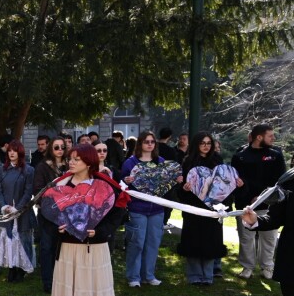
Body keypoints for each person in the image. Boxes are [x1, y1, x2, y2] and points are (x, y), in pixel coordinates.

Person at [49, 144, 127, 296]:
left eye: (77, 159)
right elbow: (48, 212)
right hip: (69, 248)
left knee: (90, 293)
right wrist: (58, 227)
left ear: (89, 162)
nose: (71, 162)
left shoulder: (104, 184)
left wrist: (100, 231)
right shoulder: (61, 183)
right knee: (72, 292)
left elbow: (118, 211)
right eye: (70, 158)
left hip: (94, 250)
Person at [176, 132, 239, 285]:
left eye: (208, 143)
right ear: (196, 144)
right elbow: (181, 188)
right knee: (193, 241)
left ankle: (208, 276)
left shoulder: (217, 160)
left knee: (211, 242)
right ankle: (195, 276)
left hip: (214, 209)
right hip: (194, 209)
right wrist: (184, 187)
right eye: (202, 143)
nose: (206, 146)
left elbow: (224, 183)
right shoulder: (188, 162)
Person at [232, 123, 286, 279]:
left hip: (268, 204)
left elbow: (279, 182)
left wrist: (263, 196)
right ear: (259, 137)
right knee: (246, 237)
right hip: (245, 204)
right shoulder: (240, 156)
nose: (273, 138)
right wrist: (246, 192)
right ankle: (247, 267)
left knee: (268, 237)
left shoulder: (275, 155)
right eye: (270, 135)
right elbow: (235, 181)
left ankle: (267, 267)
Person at [122, 130, 172, 287]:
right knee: (136, 242)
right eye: (146, 141)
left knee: (153, 242)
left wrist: (174, 178)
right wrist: (126, 180)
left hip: (157, 209)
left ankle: (148, 275)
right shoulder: (130, 163)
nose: (149, 144)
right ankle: (133, 277)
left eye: (152, 142)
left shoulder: (161, 161)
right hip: (137, 208)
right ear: (140, 144)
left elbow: (166, 185)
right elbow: (122, 186)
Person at [0, 140, 36, 283]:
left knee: (23, 240)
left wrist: (16, 209)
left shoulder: (29, 170)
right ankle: (11, 268)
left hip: (22, 212)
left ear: (20, 152)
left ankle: (22, 269)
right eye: (9, 151)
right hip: (6, 212)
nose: (12, 153)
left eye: (14, 150)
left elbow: (28, 192)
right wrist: (4, 207)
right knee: (9, 240)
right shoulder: (2, 169)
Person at [34, 137, 67, 292]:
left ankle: (61, 280)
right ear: (51, 149)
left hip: (66, 213)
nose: (60, 149)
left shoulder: (70, 166)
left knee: (62, 248)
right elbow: (38, 190)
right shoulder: (42, 167)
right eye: (56, 147)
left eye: (62, 147)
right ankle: (48, 282)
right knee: (47, 247)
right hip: (47, 213)